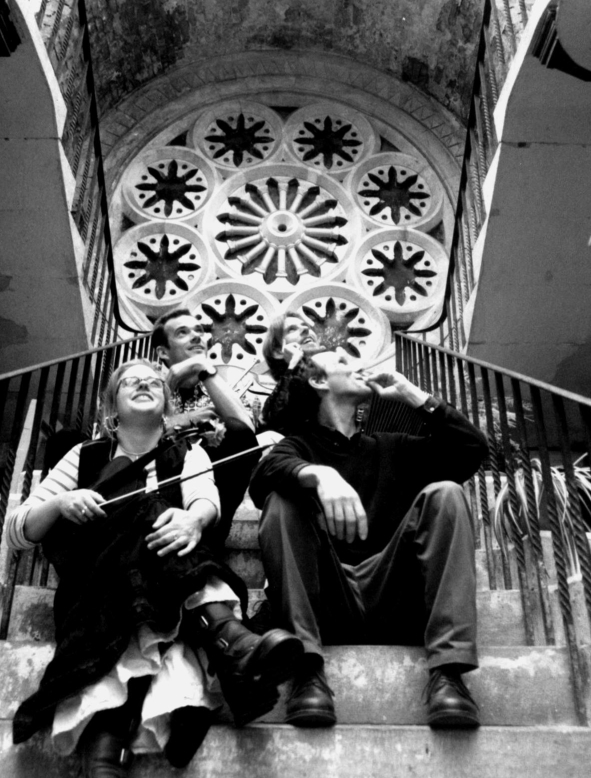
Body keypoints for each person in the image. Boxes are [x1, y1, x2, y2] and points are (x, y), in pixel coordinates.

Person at [6, 359, 303, 777]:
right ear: (112, 406)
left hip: (160, 584)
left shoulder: (190, 453)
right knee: (150, 513)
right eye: (131, 381)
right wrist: (60, 503)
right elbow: (17, 531)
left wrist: (193, 520)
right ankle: (229, 640)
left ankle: (106, 746)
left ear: (167, 405)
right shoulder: (84, 456)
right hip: (94, 584)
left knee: (166, 520)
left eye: (153, 382)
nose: (144, 384)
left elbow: (206, 502)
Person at [248, 349, 488, 729]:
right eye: (343, 360)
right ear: (319, 381)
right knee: (281, 501)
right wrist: (320, 475)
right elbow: (264, 478)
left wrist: (413, 395)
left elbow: (470, 450)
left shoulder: (393, 447)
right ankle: (306, 671)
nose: (358, 364)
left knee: (446, 493)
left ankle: (449, 675)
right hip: (329, 601)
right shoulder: (297, 446)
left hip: (393, 596)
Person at [152, 309, 258, 545]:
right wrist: (184, 419)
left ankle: (207, 539)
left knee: (237, 432)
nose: (196, 336)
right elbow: (131, 434)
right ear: (163, 352)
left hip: (210, 499)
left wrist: (203, 367)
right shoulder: (144, 385)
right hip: (157, 486)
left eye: (199, 331)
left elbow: (246, 434)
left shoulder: (223, 390)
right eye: (182, 332)